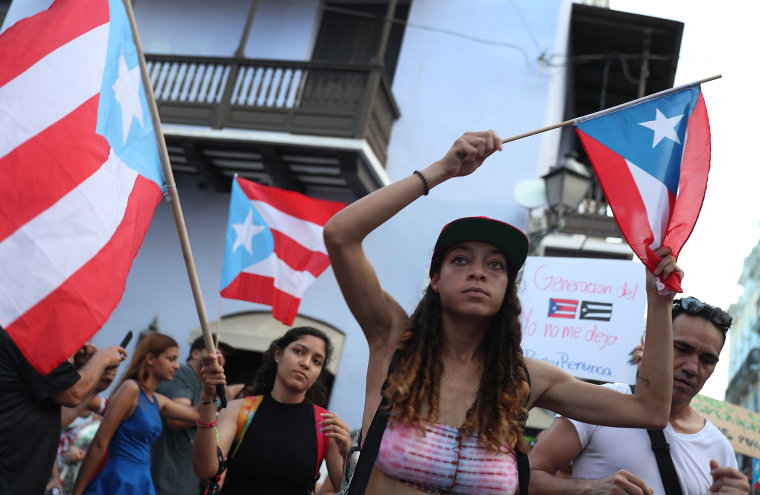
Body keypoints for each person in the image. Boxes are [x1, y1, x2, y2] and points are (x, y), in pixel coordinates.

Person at [321, 130, 680, 494]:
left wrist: (659, 300)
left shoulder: (524, 378)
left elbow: (648, 411)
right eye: (460, 259)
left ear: (508, 287)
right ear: (435, 278)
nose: (478, 271)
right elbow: (341, 235)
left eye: (496, 265)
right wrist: (441, 170)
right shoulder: (394, 340)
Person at [529, 296, 750, 494]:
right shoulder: (600, 405)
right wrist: (589, 488)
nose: (692, 367)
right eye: (681, 349)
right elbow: (525, 476)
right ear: (652, 344)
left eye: (707, 359)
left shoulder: (720, 449)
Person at [195, 326, 352, 494]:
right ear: (278, 353)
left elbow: (348, 490)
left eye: (317, 361)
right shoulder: (240, 410)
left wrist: (347, 453)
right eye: (299, 351)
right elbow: (205, 469)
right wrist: (209, 399)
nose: (306, 363)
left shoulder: (326, 424)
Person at [0, 326, 125, 495]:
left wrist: (94, 385)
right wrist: (102, 358)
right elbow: (73, 393)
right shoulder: (28, 338)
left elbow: (57, 419)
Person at [72, 333, 200, 495]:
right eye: (171, 359)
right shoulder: (131, 389)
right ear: (150, 359)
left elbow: (198, 415)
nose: (177, 366)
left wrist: (210, 387)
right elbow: (99, 443)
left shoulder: (158, 400)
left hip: (142, 480)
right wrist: (77, 492)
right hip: (119, 479)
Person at [151, 336, 241, 495]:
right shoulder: (182, 373)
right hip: (167, 480)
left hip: (186, 480)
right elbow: (176, 420)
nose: (220, 360)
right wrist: (222, 402)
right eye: (214, 352)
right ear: (195, 353)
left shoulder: (201, 383)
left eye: (222, 356)